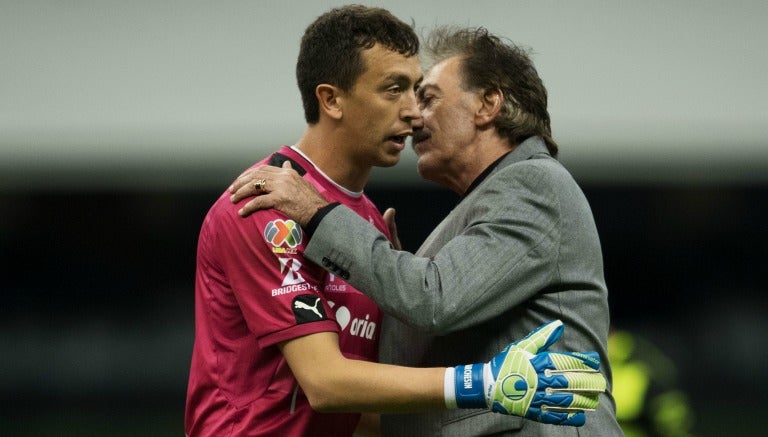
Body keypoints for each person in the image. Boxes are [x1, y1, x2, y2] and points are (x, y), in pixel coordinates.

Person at [186, 6, 606, 437]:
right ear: (331, 99)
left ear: (489, 105)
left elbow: (372, 407)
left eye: (422, 94)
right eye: (395, 90)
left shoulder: (363, 232)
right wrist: (479, 383)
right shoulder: (269, 202)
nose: (414, 114)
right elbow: (327, 384)